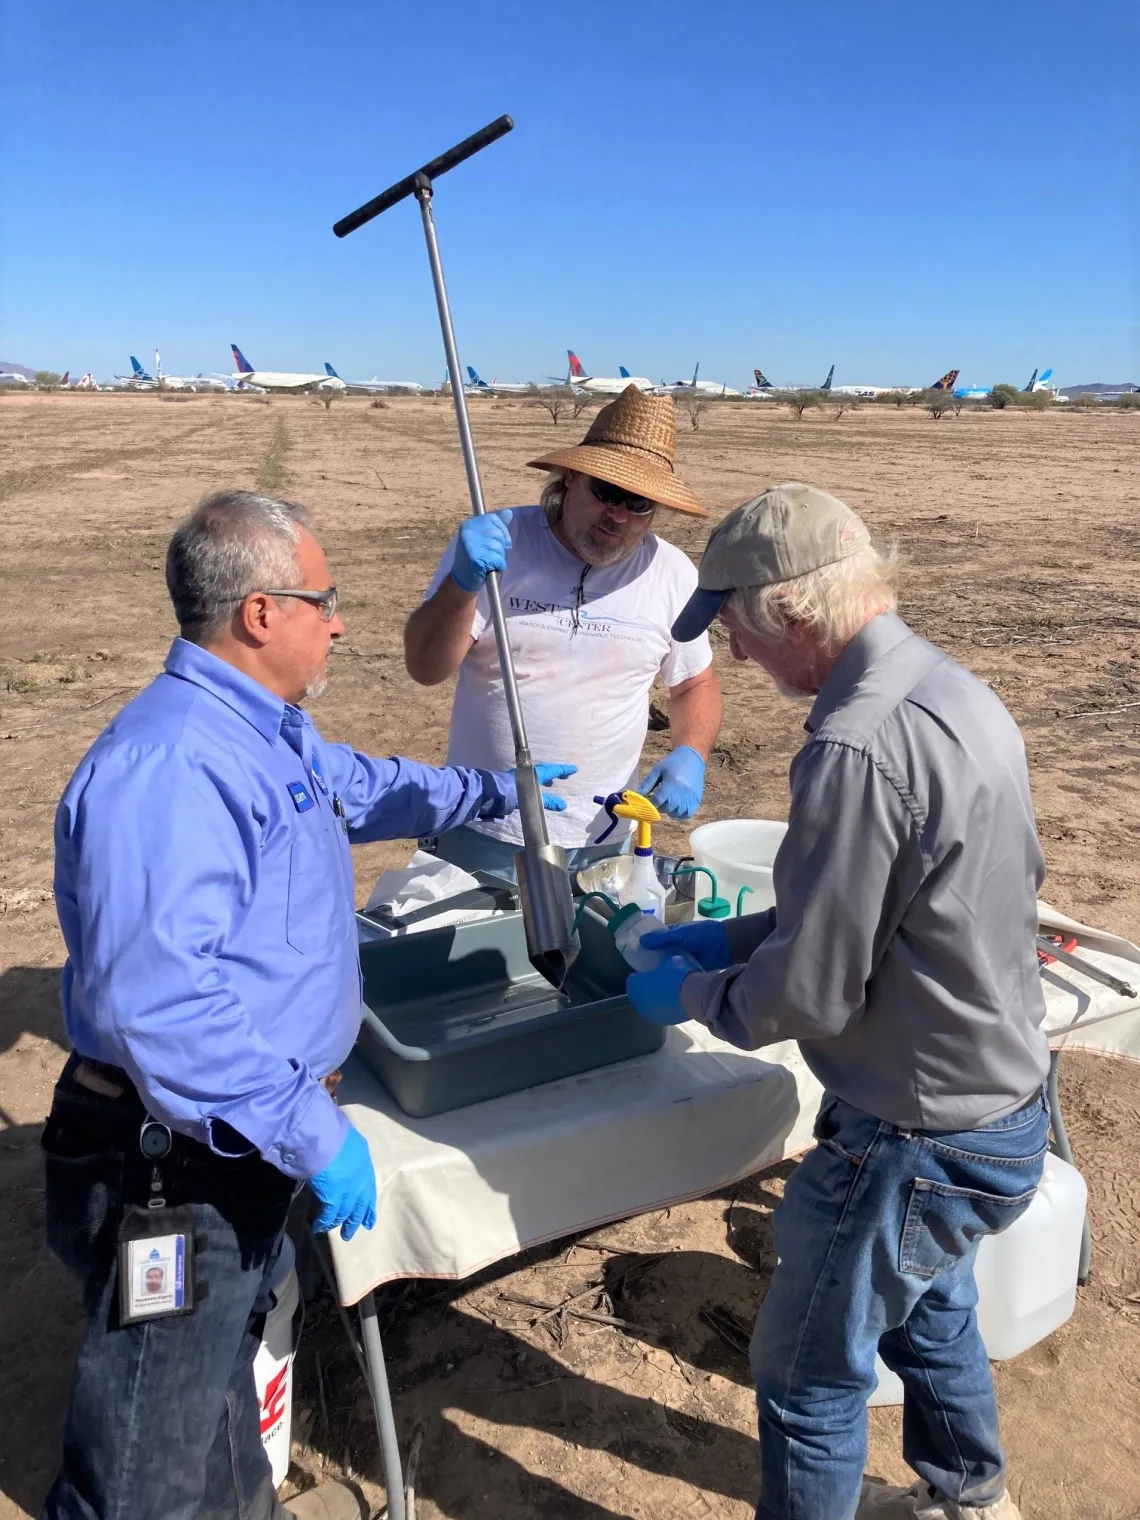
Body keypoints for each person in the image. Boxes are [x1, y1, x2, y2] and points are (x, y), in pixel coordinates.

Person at [42, 490, 573, 1520]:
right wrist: (309, 1128)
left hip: (237, 1144)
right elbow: (162, 1003)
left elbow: (355, 786)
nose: (339, 620)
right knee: (144, 1448)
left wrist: (487, 792)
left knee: (218, 1380)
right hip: (173, 1159)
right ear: (258, 613)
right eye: (324, 600)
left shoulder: (265, 730)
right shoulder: (171, 766)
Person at [629, 484, 1051, 1520]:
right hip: (999, 1103)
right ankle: (969, 1495)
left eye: (734, 628)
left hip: (913, 1131)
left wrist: (686, 989)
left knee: (810, 1374)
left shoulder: (854, 745)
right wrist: (729, 934)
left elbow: (812, 988)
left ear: (794, 616)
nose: (730, 652)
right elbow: (888, 904)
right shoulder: (955, 692)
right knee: (928, 1306)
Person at [404, 384, 723, 879]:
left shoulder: (671, 573)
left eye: (639, 504)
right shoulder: (500, 546)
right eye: (607, 492)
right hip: (486, 830)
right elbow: (425, 668)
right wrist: (459, 586)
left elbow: (694, 684)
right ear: (571, 477)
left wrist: (691, 751)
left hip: (606, 838)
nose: (618, 515)